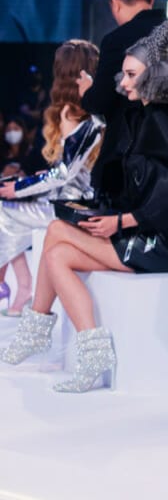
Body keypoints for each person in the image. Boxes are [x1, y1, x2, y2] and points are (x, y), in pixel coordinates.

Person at [0, 0, 168, 392]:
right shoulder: (141, 114)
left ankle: (43, 329)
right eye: (123, 73)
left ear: (154, 75)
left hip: (157, 243)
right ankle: (80, 346)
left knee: (56, 238)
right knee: (57, 248)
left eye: (131, 75)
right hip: (139, 232)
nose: (123, 82)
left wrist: (124, 220)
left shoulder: (164, 123)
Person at [0, 40, 103, 317]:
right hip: (73, 201)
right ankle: (19, 286)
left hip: (73, 208)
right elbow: (71, 169)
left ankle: (18, 286)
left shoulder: (76, 113)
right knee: (5, 213)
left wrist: (19, 187)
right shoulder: (93, 110)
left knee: (3, 211)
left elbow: (64, 173)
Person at [79, 0, 165, 197]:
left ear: (115, 3)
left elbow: (100, 100)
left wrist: (87, 92)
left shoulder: (117, 40)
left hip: (126, 160)